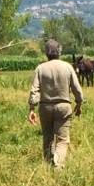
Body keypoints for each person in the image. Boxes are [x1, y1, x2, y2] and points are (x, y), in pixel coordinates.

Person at [28, 39, 84, 168]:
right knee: (62, 140)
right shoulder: (67, 67)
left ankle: (48, 165)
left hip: (45, 107)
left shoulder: (40, 68)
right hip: (64, 107)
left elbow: (34, 90)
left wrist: (31, 109)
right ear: (59, 52)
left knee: (47, 139)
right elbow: (77, 90)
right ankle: (58, 165)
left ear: (46, 53)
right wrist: (79, 104)